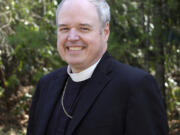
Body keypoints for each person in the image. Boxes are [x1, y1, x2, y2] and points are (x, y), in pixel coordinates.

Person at [27, 0, 169, 134]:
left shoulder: (135, 86)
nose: (72, 37)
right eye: (64, 28)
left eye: (83, 28)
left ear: (105, 31)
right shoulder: (46, 85)